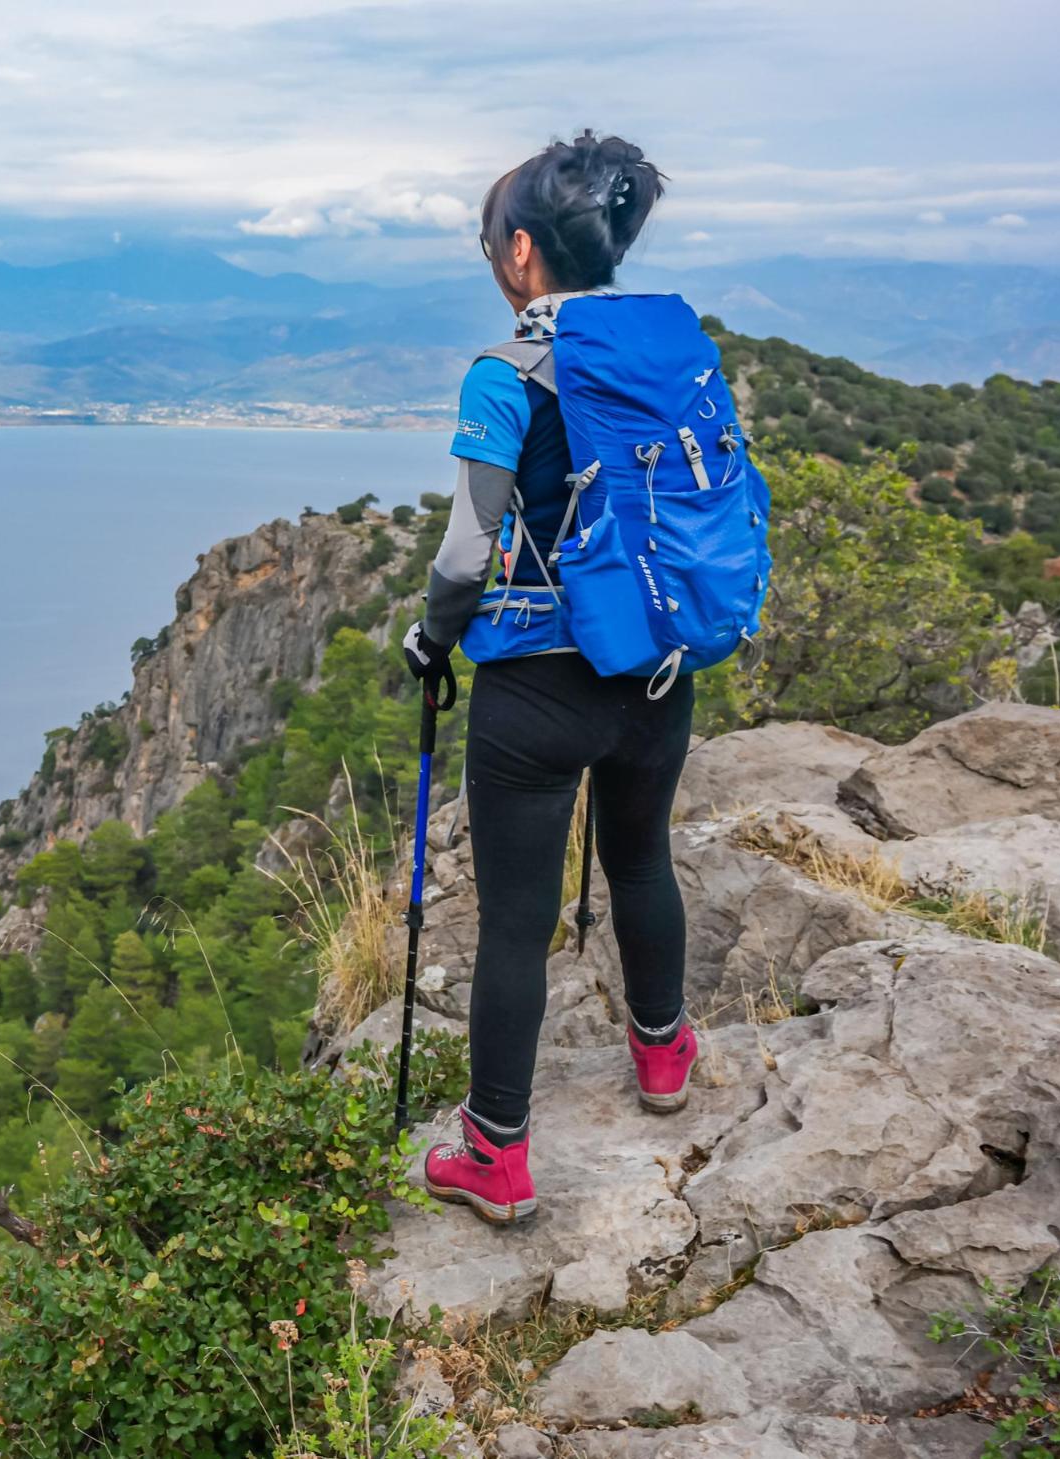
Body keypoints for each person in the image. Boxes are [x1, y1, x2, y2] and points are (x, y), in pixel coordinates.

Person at [400, 130, 700, 1225]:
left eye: (492, 243)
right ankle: (662, 1058)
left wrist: (431, 642)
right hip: (655, 668)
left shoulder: (502, 373)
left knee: (515, 925)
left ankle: (495, 1155)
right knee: (638, 861)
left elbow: (462, 555)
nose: (493, 258)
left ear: (521, 249)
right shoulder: (668, 352)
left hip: (533, 686)